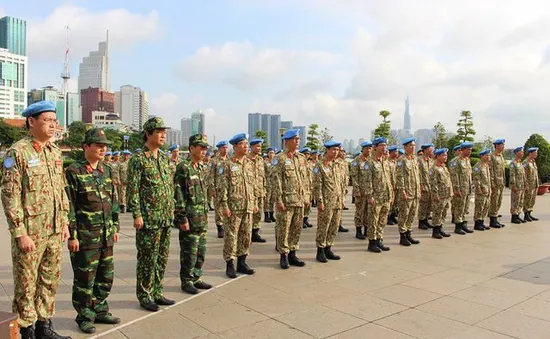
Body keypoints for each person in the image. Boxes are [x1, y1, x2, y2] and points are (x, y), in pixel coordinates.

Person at [1, 101, 71, 339]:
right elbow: (10, 196)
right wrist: (19, 233)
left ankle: (44, 327)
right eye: (47, 120)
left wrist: (64, 223)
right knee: (26, 284)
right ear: (32, 122)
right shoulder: (17, 152)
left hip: (53, 229)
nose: (53, 125)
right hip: (31, 232)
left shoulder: (54, 152)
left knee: (49, 280)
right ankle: (26, 329)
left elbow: (60, 190)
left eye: (54, 120)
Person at [65, 128, 121, 334]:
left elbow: (113, 202)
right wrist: (72, 235)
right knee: (85, 278)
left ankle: (99, 309)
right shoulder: (74, 171)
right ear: (86, 147)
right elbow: (69, 205)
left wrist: (115, 226)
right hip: (85, 237)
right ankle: (85, 316)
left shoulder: (106, 170)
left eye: (104, 145)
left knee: (106, 276)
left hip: (106, 235)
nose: (103, 148)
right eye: (98, 145)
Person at [127, 116, 175, 312]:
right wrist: (137, 214)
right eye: (159, 132)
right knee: (147, 258)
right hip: (148, 218)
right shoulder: (138, 159)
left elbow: (168, 186)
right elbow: (133, 189)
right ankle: (145, 294)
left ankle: (157, 291)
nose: (163, 135)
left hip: (164, 217)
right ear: (148, 134)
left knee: (162, 257)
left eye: (164, 131)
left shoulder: (163, 158)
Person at [174, 134, 213, 294]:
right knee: (189, 253)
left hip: (201, 218)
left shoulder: (202, 168)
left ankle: (197, 277)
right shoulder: (184, 168)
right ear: (191, 148)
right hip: (189, 219)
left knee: (200, 252)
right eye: (201, 147)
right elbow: (179, 194)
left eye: (205, 148)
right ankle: (186, 280)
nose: (204, 151)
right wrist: (181, 217)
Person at [217, 133, 257, 278]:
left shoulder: (249, 164)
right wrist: (225, 206)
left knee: (246, 236)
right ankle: (230, 264)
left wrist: (255, 202)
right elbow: (223, 187)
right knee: (231, 236)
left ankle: (242, 262)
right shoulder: (227, 164)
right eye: (242, 144)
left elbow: (253, 185)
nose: (246, 146)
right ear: (234, 146)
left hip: (248, 206)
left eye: (247, 144)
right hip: (233, 207)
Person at [272, 129, 308, 269]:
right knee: (283, 229)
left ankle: (293, 253)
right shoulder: (279, 158)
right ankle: (283, 255)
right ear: (286, 142)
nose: (297, 141)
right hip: (286, 201)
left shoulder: (301, 158)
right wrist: (278, 200)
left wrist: (306, 196)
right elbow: (276, 181)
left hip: (299, 200)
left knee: (296, 228)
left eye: (298, 139)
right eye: (294, 139)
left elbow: (305, 179)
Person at [313, 141, 345, 262]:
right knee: (323, 226)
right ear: (327, 150)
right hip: (326, 201)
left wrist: (342, 199)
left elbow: (341, 184)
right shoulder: (320, 165)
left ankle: (328, 248)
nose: (336, 152)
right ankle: (320, 250)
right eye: (333, 150)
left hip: (337, 200)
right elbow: (317, 185)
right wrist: (319, 201)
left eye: (337, 150)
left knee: (334, 225)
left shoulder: (339, 164)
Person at [364, 137, 394, 253]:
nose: (384, 147)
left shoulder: (385, 162)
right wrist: (370, 195)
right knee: (373, 220)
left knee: (382, 219)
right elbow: (367, 181)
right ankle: (372, 242)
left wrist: (391, 194)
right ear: (375, 147)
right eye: (381, 145)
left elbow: (388, 179)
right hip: (375, 197)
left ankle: (379, 239)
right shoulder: (369, 162)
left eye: (385, 145)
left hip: (385, 196)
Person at [396, 138, 421, 246]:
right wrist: (402, 191)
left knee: (412, 214)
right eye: (411, 145)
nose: (413, 147)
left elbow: (417, 176)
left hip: (415, 192)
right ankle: (402, 236)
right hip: (407, 192)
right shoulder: (402, 160)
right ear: (405, 147)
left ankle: (409, 234)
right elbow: (399, 176)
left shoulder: (414, 159)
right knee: (404, 214)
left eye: (414, 145)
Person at [350, 141, 373, 239]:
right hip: (361, 191)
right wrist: (356, 190)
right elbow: (354, 177)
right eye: (367, 148)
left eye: (370, 148)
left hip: (370, 192)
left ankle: (367, 230)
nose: (369, 150)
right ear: (362, 149)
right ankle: (358, 231)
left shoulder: (372, 160)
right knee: (360, 211)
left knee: (368, 211)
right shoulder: (356, 161)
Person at [450, 142, 474, 234]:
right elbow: (454, 176)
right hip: (460, 189)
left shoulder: (467, 160)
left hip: (467, 188)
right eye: (468, 149)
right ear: (462, 150)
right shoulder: (456, 161)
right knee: (459, 208)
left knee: (465, 208)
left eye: (471, 149)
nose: (470, 151)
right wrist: (456, 189)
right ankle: (458, 226)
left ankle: (463, 224)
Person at [429, 148, 452, 239]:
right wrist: (435, 195)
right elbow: (433, 183)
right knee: (437, 213)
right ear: (437, 156)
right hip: (439, 195)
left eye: (446, 155)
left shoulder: (444, 167)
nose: (445, 157)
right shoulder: (434, 169)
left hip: (446, 194)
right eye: (443, 155)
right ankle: (435, 231)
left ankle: (440, 228)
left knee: (444, 212)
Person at [209, 140, 229, 238]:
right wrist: (212, 188)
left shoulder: (230, 160)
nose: (225, 149)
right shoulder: (214, 161)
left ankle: (227, 226)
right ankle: (220, 228)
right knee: (218, 208)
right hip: (218, 188)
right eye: (223, 148)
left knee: (228, 208)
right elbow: (211, 175)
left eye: (226, 147)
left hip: (229, 189)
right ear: (219, 149)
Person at [249, 139, 268, 242]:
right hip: (250, 191)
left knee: (258, 213)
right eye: (257, 146)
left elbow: (263, 176)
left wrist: (264, 189)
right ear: (251, 147)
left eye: (260, 146)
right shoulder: (246, 159)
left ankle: (255, 232)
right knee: (250, 213)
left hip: (260, 190)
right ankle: (248, 233)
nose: (259, 148)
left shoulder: (260, 160)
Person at [488, 139, 506, 228]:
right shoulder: (492, 157)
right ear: (497, 146)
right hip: (495, 183)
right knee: (494, 201)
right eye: (502, 145)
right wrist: (491, 183)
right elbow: (490, 170)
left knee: (498, 201)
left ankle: (495, 218)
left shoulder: (501, 156)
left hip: (501, 183)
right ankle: (493, 220)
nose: (503, 146)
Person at [473, 150, 492, 231]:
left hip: (487, 190)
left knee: (486, 206)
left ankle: (482, 222)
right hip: (481, 190)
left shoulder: (486, 165)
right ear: (482, 156)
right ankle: (477, 223)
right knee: (479, 207)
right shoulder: (478, 166)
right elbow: (476, 179)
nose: (488, 157)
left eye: (489, 155)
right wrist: (479, 189)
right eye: (487, 155)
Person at [418, 143, 434, 230]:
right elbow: (418, 174)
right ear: (425, 150)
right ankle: (421, 221)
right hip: (423, 185)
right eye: (430, 149)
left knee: (429, 204)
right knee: (423, 204)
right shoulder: (419, 160)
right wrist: (419, 185)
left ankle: (426, 220)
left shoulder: (431, 161)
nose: (431, 150)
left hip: (430, 185)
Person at [523, 147, 540, 221]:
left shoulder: (533, 161)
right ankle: (526, 214)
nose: (536, 154)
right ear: (530, 153)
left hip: (534, 184)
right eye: (535, 153)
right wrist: (525, 183)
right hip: (529, 184)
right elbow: (524, 174)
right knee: (527, 198)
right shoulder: (525, 162)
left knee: (532, 199)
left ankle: (529, 213)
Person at [300, 147, 314, 228]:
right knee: (303, 204)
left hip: (309, 186)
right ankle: (301, 221)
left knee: (308, 205)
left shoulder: (310, 163)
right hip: (303, 187)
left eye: (308, 154)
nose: (307, 155)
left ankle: (306, 219)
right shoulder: (300, 163)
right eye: (305, 154)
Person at [337, 147, 350, 232]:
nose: (343, 153)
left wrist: (345, 186)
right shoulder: (335, 162)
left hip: (342, 188)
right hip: (336, 189)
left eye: (343, 151)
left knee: (341, 207)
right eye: (341, 151)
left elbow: (346, 175)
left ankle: (339, 224)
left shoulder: (344, 163)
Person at [387, 145, 400, 225]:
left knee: (394, 202)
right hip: (390, 185)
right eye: (395, 151)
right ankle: (387, 217)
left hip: (396, 185)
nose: (397, 153)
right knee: (390, 202)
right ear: (391, 153)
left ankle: (392, 215)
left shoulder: (395, 162)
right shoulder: (387, 162)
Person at [264, 147, 277, 223]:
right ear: (267, 154)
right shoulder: (265, 162)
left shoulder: (276, 162)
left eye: (273, 153)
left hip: (274, 184)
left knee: (273, 200)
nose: (271, 154)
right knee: (267, 200)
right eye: (270, 153)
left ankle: (272, 215)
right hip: (267, 183)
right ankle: (266, 215)